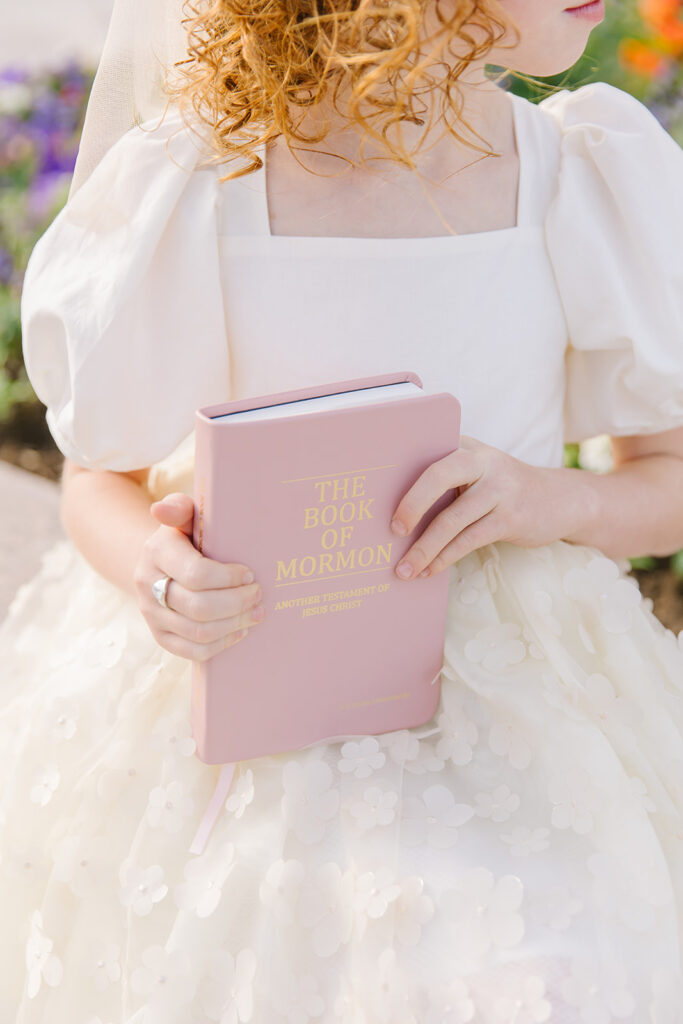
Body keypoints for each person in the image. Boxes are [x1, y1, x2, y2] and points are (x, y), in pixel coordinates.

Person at [2, 0, 683, 1017]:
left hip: (516, 700)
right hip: (258, 674)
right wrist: (154, 564)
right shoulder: (205, 182)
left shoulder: (573, 176)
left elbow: (663, 481)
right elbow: (97, 477)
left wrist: (549, 496)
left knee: (546, 969)